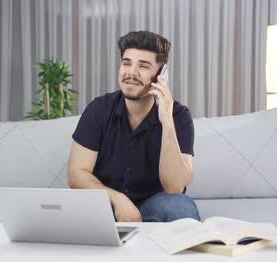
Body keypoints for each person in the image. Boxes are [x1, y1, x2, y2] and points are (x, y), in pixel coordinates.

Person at [68, 31, 200, 222]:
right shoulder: (99, 109)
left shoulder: (179, 116)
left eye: (143, 66)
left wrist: (167, 122)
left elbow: (175, 188)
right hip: (106, 201)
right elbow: (76, 174)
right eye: (126, 63)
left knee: (179, 207)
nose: (131, 72)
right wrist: (117, 199)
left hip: (153, 204)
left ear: (160, 75)